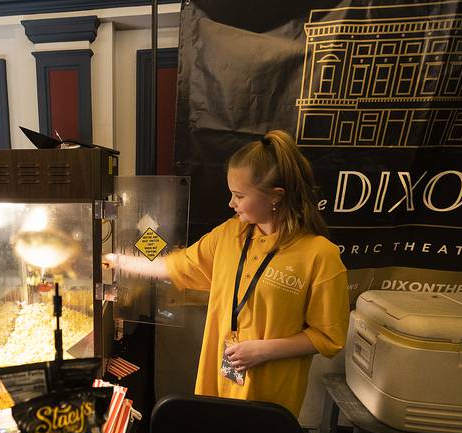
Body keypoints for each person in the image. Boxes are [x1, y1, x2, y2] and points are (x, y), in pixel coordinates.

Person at [112, 130, 349, 416]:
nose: (230, 204)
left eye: (239, 195)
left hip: (270, 395)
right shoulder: (228, 235)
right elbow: (176, 266)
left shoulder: (320, 255)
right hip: (217, 383)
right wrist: (118, 260)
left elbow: (328, 337)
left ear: (276, 197)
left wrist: (262, 350)